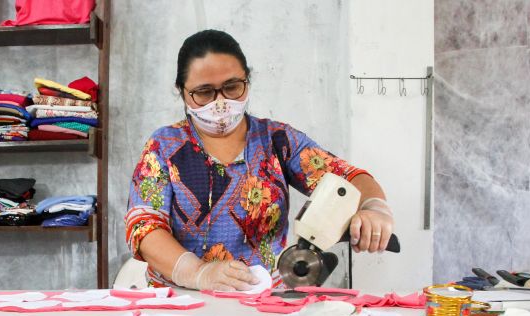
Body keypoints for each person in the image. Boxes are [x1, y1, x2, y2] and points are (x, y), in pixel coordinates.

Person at [125, 29, 394, 291]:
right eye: (204, 92)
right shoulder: (165, 146)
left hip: (263, 301)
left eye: (232, 87)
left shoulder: (278, 141)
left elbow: (349, 178)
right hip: (182, 301)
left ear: (247, 81)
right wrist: (198, 273)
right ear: (182, 92)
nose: (220, 103)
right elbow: (144, 227)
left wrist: (374, 208)